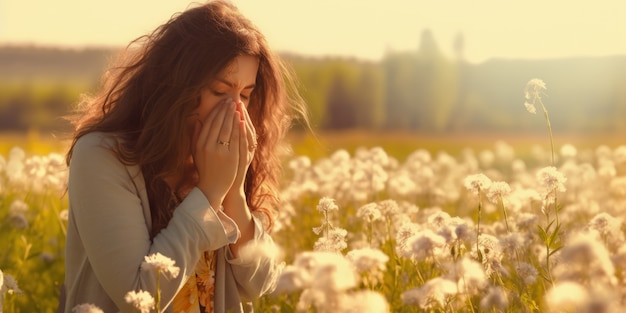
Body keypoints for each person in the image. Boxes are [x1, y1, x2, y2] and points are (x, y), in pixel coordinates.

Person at [61, 1, 307, 312]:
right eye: (220, 91)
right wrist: (208, 194)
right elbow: (140, 297)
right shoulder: (102, 157)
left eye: (245, 94)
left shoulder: (222, 161)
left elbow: (259, 284)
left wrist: (233, 192)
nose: (237, 111)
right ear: (178, 88)